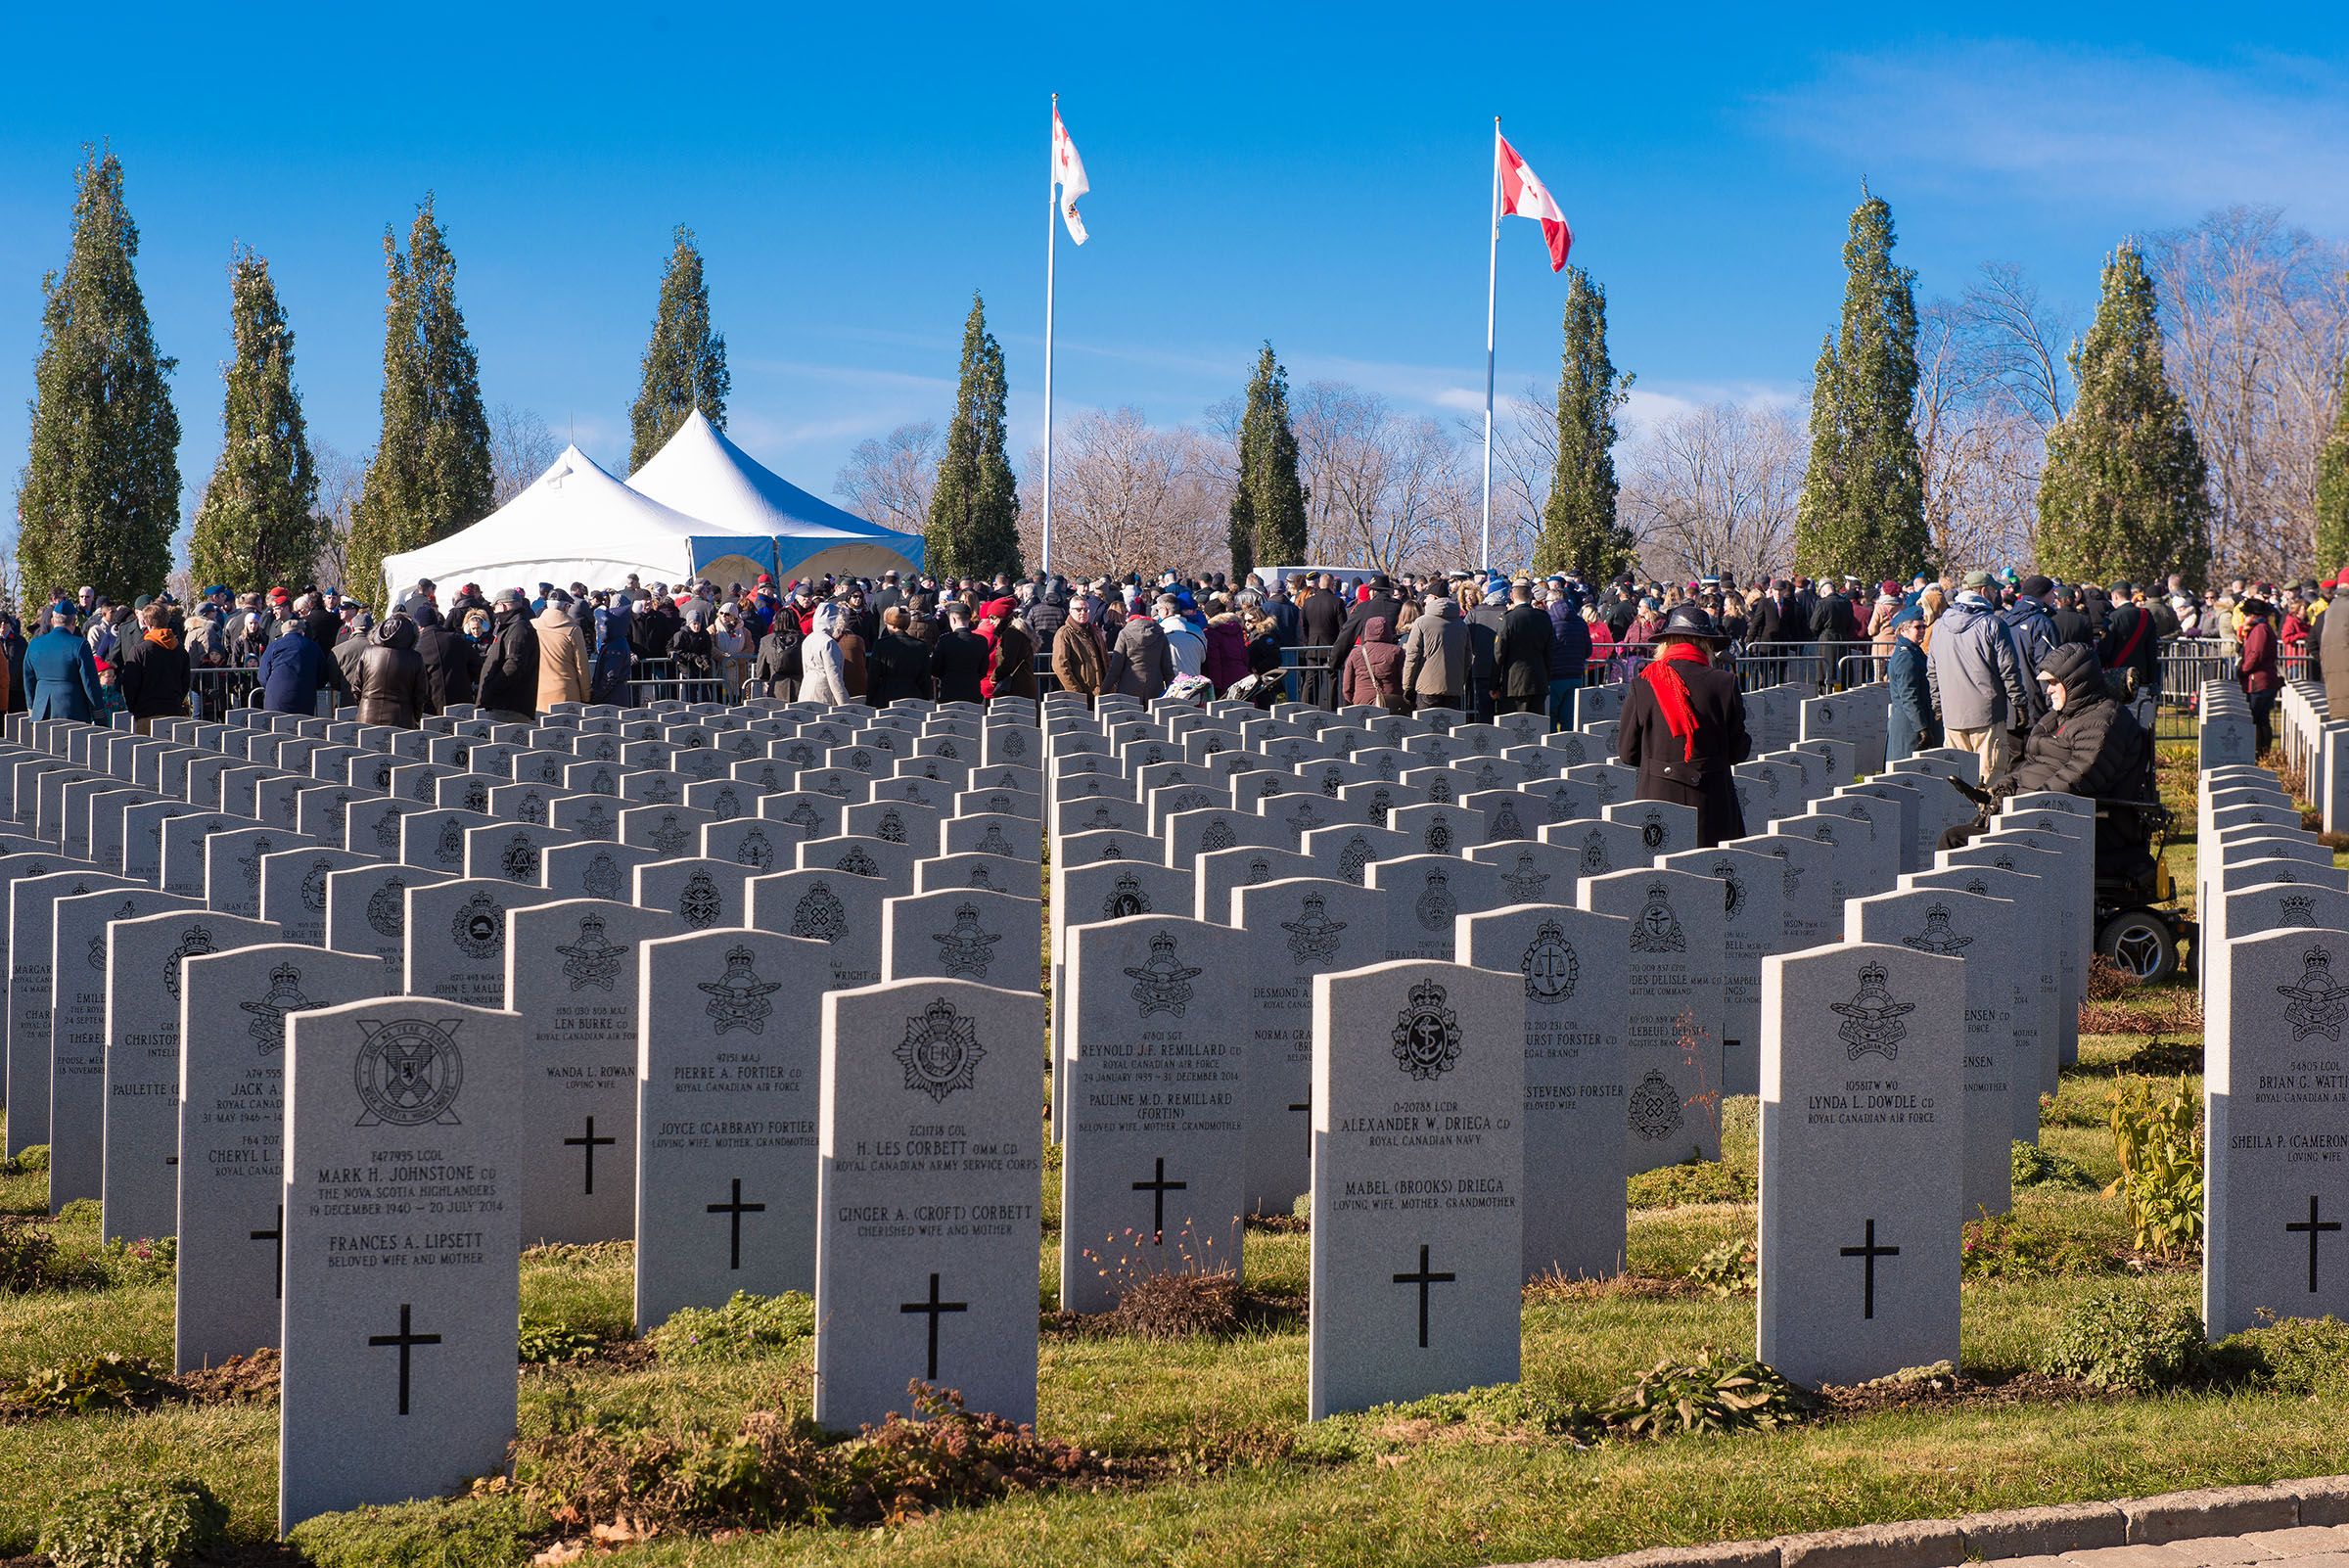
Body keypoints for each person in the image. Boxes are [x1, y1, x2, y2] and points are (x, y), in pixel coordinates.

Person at [1615, 602, 1750, 847]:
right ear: (1706, 644)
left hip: (1657, 800)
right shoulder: (1724, 683)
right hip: (1711, 803)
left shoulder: (1645, 682)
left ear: (1666, 642)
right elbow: (1739, 751)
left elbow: (1627, 753)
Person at [1927, 570, 2032, 782]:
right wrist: (2019, 703)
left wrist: (1938, 705)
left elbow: (1932, 672)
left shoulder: (1939, 626)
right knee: (1989, 778)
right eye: (1995, 590)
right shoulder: (1993, 624)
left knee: (1958, 777)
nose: (1998, 595)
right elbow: (2009, 668)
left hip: (1952, 714)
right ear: (1984, 591)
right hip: (1987, 714)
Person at [112, 602, 190, 730]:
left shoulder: (140, 650)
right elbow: (185, 681)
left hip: (146, 711)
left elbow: (130, 683)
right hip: (173, 710)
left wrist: (133, 707)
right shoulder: (180, 650)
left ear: (148, 624)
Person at [23, 605, 105, 721]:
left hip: (41, 710)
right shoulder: (80, 645)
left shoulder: (35, 643)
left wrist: (32, 709)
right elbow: (90, 682)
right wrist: (99, 714)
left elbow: (28, 680)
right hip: (72, 709)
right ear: (74, 622)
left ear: (52, 621)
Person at [1400, 579, 1468, 711]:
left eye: (1427, 597)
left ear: (1434, 598)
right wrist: (1460, 682)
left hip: (1426, 687)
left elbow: (1412, 656)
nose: (1424, 601)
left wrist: (1407, 686)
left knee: (1427, 728)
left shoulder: (1421, 622)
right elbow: (1467, 658)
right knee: (1451, 728)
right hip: (1453, 688)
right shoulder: (1461, 625)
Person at [354, 612, 431, 727]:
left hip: (367, 715)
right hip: (400, 717)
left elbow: (356, 687)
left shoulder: (368, 652)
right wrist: (416, 717)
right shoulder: (415, 658)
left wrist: (363, 705)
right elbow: (420, 694)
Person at [1884, 608, 1939, 763]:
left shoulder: (1914, 651)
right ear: (1903, 630)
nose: (1922, 630)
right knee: (1906, 777)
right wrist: (1922, 729)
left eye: (1924, 626)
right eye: (1917, 627)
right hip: (1910, 726)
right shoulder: (1906, 656)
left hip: (1915, 721)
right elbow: (1909, 696)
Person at [477, 589, 540, 720]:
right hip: (503, 703)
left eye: (495, 607)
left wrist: (492, 688)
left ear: (503, 606)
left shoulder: (518, 628)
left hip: (508, 705)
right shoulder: (510, 626)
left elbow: (513, 664)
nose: (494, 612)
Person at [1493, 581, 1553, 716]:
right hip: (1538, 681)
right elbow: (1550, 652)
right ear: (1531, 596)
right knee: (1536, 728)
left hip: (1514, 684)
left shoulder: (1508, 619)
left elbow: (1499, 654)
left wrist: (1494, 684)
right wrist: (1546, 679)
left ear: (1512, 596)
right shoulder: (1544, 618)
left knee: (1513, 728)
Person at [256, 616, 330, 715]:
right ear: (301, 632)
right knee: (303, 727)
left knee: (275, 727)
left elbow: (263, 675)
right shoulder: (312, 646)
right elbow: (322, 675)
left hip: (276, 695)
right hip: (305, 695)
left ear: (283, 633)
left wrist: (270, 686)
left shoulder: (274, 645)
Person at [534, 592, 592, 712]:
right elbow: (581, 666)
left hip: (537, 691)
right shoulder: (573, 630)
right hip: (566, 693)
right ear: (566, 607)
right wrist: (586, 695)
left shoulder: (533, 626)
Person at [1341, 615, 1409, 714]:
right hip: (1390, 701)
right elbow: (1404, 678)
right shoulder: (1396, 651)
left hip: (1362, 701)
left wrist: (1351, 701)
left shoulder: (1356, 653)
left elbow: (1347, 685)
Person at [2238, 594, 2280, 756]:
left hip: (2260, 681)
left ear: (2254, 614)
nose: (2245, 617)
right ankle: (2261, 751)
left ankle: (2261, 751)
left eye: (2247, 614)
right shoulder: (2260, 628)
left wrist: (2243, 669)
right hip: (2260, 680)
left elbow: (2256, 654)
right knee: (2260, 718)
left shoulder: (2260, 629)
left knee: (2259, 718)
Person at [867, 605, 933, 706]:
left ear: (893, 626)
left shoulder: (881, 645)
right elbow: (925, 678)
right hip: (913, 695)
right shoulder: (920, 646)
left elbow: (873, 676)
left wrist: (870, 700)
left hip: (886, 695)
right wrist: (924, 700)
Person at [1107, 599, 1173, 699]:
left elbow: (1115, 668)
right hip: (1154, 687)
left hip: (1128, 686)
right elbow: (1167, 668)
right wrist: (1172, 693)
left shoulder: (1125, 633)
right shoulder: (1160, 635)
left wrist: (1103, 692)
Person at [1050, 597, 1109, 702]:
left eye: (1086, 609)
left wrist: (1110, 686)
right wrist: (1076, 692)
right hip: (1081, 694)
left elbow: (1105, 660)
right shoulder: (1064, 633)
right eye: (1079, 609)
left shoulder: (1095, 632)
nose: (1083, 612)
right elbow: (1060, 666)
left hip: (1101, 693)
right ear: (1070, 611)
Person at [931, 601, 990, 704]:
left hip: (949, 693)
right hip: (973, 693)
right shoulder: (981, 641)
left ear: (953, 619)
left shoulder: (945, 640)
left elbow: (935, 669)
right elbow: (983, 670)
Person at [799, 600, 852, 706]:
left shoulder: (808, 639)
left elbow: (805, 670)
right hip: (823, 693)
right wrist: (844, 704)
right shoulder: (828, 642)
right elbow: (834, 677)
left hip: (806, 689)